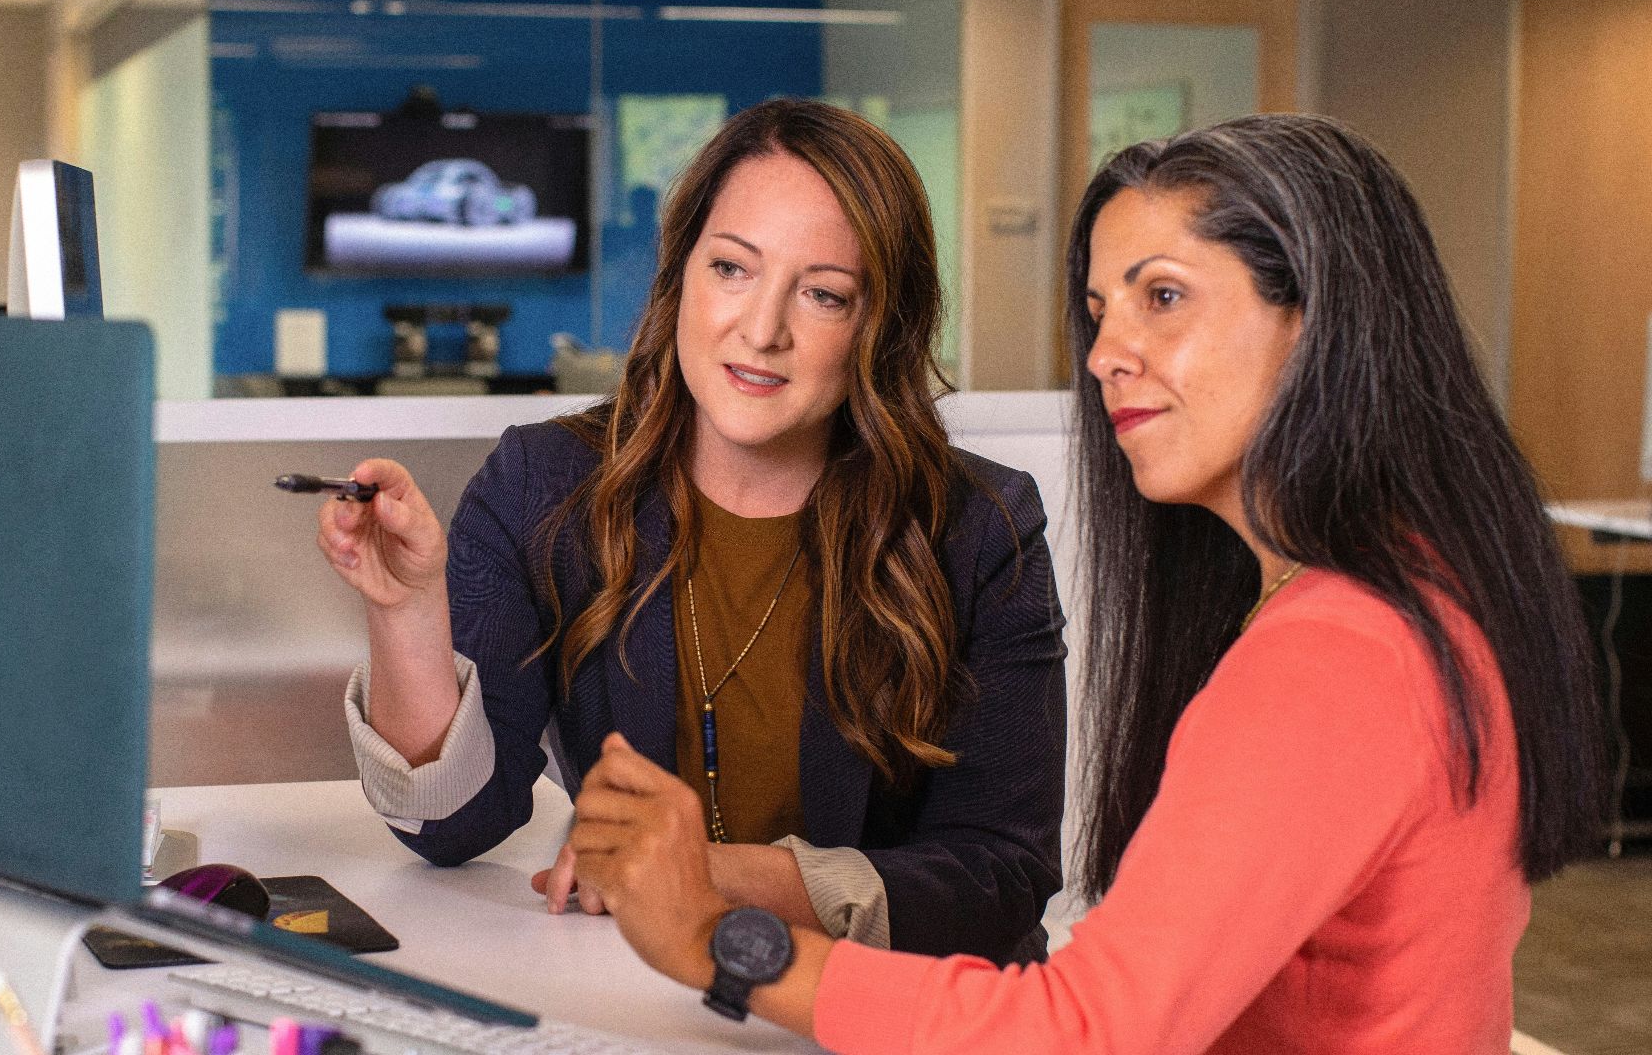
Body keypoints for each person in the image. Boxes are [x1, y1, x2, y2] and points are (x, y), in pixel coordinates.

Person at [565, 112, 1611, 1052]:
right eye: (1101, 310)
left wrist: (719, 944)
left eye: (1164, 298)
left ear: (1318, 321)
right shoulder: (1420, 592)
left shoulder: (1335, 654)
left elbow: (1090, 1032)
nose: (1108, 352)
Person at [315, 98, 1069, 965]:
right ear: (681, 277)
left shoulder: (978, 527)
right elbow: (452, 825)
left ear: (877, 327)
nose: (761, 330)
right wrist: (409, 610)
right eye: (732, 270)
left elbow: (1001, 876)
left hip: (881, 1014)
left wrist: (710, 875)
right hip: (639, 1000)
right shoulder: (545, 486)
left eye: (823, 294)